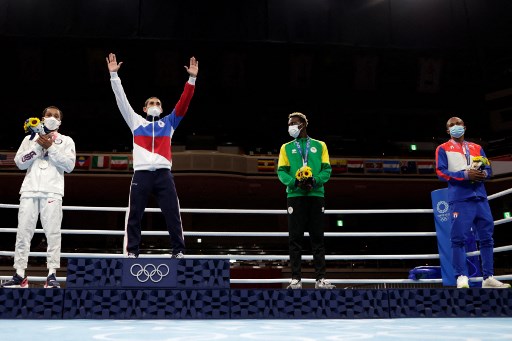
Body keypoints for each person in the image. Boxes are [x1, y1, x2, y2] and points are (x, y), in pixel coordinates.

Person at [106, 53, 198, 258]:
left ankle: (179, 251)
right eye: (151, 102)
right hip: (142, 174)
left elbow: (183, 103)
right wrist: (114, 76)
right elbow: (121, 100)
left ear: (162, 108)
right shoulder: (136, 122)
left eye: (158, 102)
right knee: (135, 214)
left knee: (173, 214)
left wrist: (191, 79)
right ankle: (132, 252)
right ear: (145, 108)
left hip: (164, 174)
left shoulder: (170, 124)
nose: (155, 104)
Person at [2, 106, 76, 288]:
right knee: (23, 234)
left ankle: (51, 275)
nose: (52, 117)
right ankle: (19, 274)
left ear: (60, 121)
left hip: (53, 191)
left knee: (52, 234)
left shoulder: (66, 141)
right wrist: (37, 147)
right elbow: (19, 163)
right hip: (29, 190)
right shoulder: (29, 139)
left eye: (56, 116)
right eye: (49, 115)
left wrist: (51, 147)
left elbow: (69, 165)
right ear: (42, 118)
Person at [435, 116, 511, 289]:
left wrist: (484, 174)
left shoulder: (477, 147)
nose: (456, 126)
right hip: (460, 198)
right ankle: (461, 276)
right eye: (451, 125)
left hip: (480, 197)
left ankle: (488, 277)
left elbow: (489, 169)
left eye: (458, 124)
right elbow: (441, 172)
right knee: (458, 238)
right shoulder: (443, 148)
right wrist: (465, 175)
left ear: (464, 127)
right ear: (448, 131)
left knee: (487, 238)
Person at [277, 112, 335, 289]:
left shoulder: (320, 145)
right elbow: (281, 172)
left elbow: (327, 170)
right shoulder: (285, 147)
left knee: (317, 237)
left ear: (303, 124)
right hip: (295, 196)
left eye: (293, 123)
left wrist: (314, 181)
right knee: (295, 238)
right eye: (289, 124)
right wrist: (296, 183)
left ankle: (321, 279)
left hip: (316, 195)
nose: (290, 127)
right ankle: (296, 279)